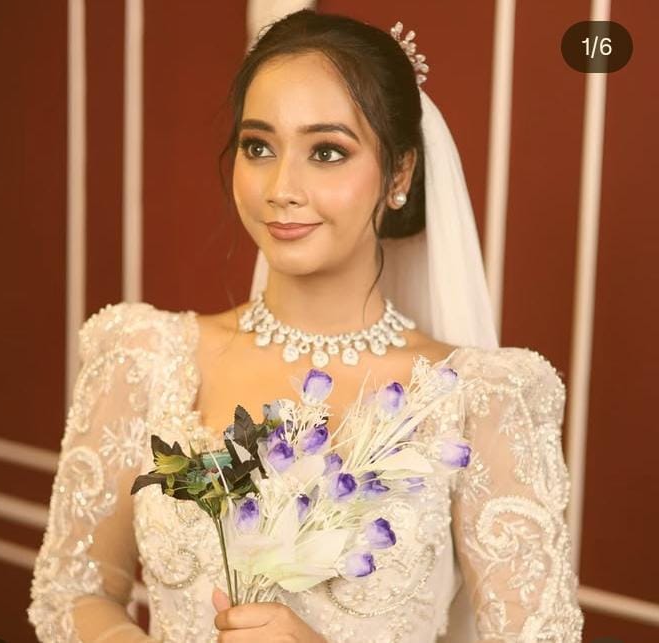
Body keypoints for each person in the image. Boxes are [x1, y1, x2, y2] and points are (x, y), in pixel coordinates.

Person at [28, 9, 584, 642]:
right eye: (258, 147)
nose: (281, 187)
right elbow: (72, 591)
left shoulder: (479, 399)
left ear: (399, 172)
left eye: (326, 152)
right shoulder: (145, 358)